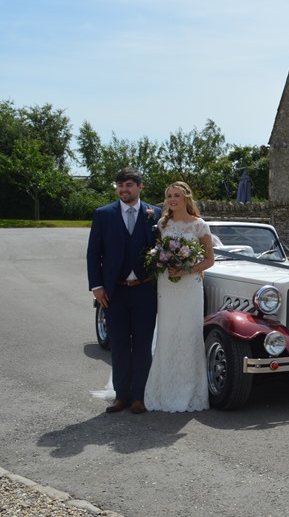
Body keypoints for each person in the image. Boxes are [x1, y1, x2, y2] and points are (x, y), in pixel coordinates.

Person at [86, 167, 159, 414]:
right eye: (120, 185)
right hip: (114, 292)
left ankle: (139, 396)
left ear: (140, 187)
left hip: (144, 290)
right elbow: (93, 253)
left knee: (142, 345)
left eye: (129, 185)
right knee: (118, 344)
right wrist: (96, 287)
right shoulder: (103, 214)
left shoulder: (155, 214)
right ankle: (121, 396)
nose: (123, 189)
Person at [143, 181, 214, 413]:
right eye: (169, 196)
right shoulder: (163, 224)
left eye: (176, 195)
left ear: (186, 198)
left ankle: (189, 391)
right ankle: (164, 389)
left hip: (190, 286)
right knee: (166, 333)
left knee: (188, 334)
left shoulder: (199, 225)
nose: (172, 199)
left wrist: (187, 270)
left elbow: (209, 260)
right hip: (167, 285)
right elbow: (156, 252)